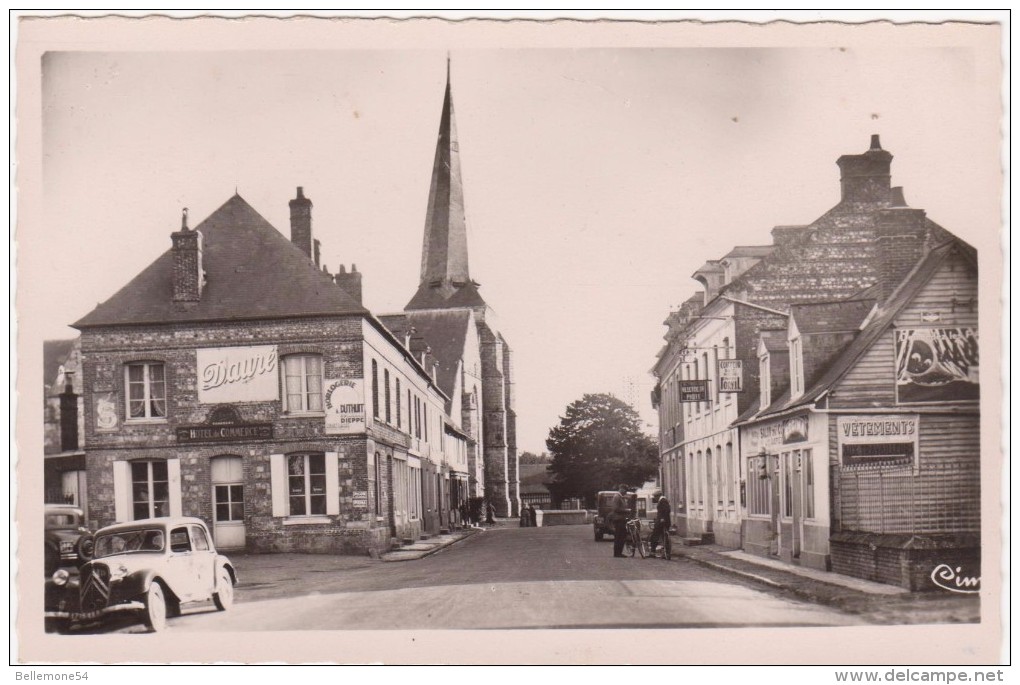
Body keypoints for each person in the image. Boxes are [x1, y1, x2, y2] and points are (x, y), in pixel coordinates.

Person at [610, 484, 632, 557]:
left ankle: (619, 552)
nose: (626, 492)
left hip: (621, 519)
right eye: (625, 490)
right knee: (619, 536)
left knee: (622, 536)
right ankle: (617, 553)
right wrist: (626, 510)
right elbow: (616, 509)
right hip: (619, 519)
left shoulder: (620, 497)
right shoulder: (617, 497)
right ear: (621, 489)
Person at [648, 492, 671, 557]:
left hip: (662, 522)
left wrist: (662, 518)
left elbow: (667, 510)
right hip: (665, 521)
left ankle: (653, 552)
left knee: (655, 535)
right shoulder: (663, 500)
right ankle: (665, 553)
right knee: (664, 537)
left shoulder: (662, 501)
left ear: (658, 496)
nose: (654, 498)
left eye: (655, 497)